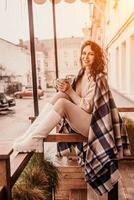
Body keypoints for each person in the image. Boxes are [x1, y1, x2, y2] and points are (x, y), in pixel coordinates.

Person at [13, 40, 131, 195]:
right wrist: (62, 86)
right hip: (83, 120)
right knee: (60, 95)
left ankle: (35, 138)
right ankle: (30, 134)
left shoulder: (98, 78)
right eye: (84, 53)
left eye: (91, 54)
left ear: (97, 57)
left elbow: (88, 107)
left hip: (94, 124)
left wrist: (70, 92)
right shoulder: (81, 74)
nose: (86, 57)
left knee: (63, 102)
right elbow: (70, 94)